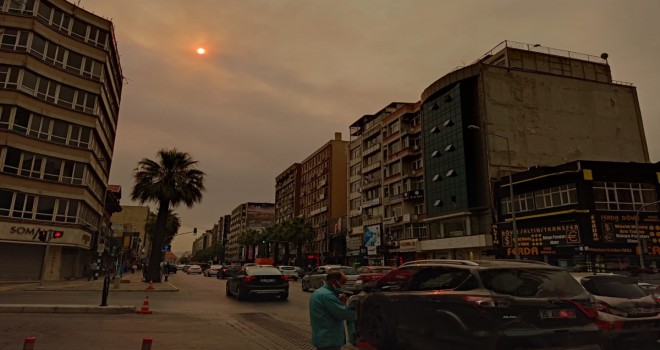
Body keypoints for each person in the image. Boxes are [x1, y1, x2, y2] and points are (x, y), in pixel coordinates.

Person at [309, 270, 356, 350]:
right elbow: (343, 314)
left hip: (322, 336)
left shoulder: (319, 292)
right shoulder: (328, 296)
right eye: (343, 282)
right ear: (334, 281)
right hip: (329, 339)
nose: (344, 285)